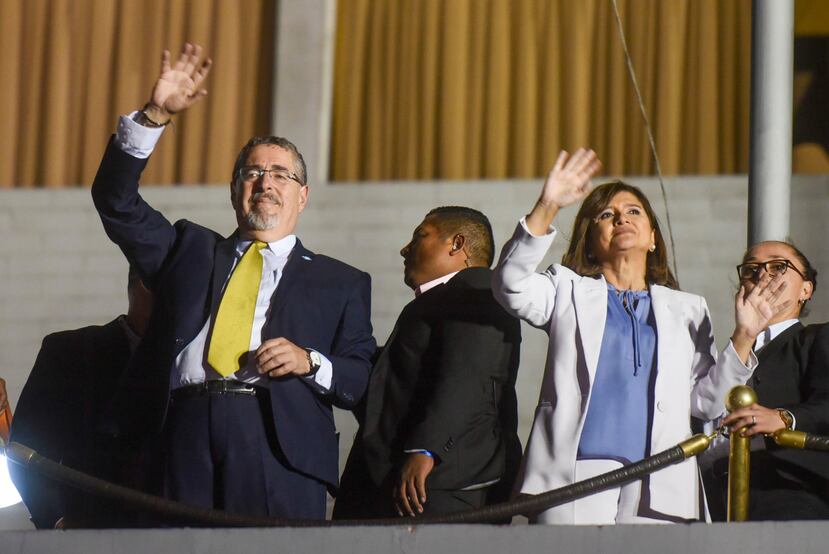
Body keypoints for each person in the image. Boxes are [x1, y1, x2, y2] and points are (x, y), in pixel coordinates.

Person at [90, 43, 375, 520]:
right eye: (253, 172)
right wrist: (155, 113)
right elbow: (115, 201)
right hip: (179, 434)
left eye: (281, 174)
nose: (266, 182)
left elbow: (361, 376)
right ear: (234, 191)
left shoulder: (341, 281)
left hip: (276, 442)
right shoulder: (188, 250)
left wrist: (310, 361)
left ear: (302, 196)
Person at [492, 149, 787, 524]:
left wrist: (745, 335)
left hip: (662, 477)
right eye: (606, 214)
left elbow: (705, 403)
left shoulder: (688, 308)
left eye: (633, 211)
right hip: (573, 476)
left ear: (652, 237)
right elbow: (509, 283)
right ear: (590, 240)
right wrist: (548, 204)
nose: (621, 219)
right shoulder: (566, 289)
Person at [334, 207, 522, 519]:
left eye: (420, 236)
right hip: (404, 486)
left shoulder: (477, 289)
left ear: (456, 244)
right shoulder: (438, 302)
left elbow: (466, 377)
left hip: (439, 486)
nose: (404, 249)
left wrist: (426, 449)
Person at [9, 268, 152, 529]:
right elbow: (25, 448)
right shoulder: (70, 353)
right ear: (137, 285)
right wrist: (55, 519)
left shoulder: (197, 365)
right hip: (86, 531)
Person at [717, 241, 829, 520]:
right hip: (718, 501)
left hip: (791, 492)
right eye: (751, 268)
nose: (762, 274)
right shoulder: (727, 355)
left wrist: (785, 417)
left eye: (778, 266)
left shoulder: (816, 339)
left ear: (806, 289)